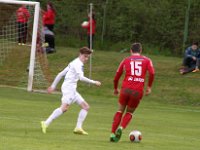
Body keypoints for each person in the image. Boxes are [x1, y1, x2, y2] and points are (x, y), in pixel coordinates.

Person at [40, 47, 101, 135]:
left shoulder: (74, 62)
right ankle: (46, 123)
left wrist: (53, 86)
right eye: (85, 56)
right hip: (69, 88)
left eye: (88, 57)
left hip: (71, 89)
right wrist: (94, 82)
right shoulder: (78, 64)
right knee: (64, 108)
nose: (86, 59)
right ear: (80, 54)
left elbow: (60, 74)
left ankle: (78, 128)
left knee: (85, 107)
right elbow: (81, 78)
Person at [110, 43, 155, 142]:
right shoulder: (147, 60)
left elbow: (116, 77)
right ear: (141, 50)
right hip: (137, 91)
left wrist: (115, 88)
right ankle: (121, 128)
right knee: (129, 112)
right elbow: (152, 73)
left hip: (125, 89)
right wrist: (149, 87)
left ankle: (112, 133)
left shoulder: (125, 60)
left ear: (131, 50)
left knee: (120, 111)